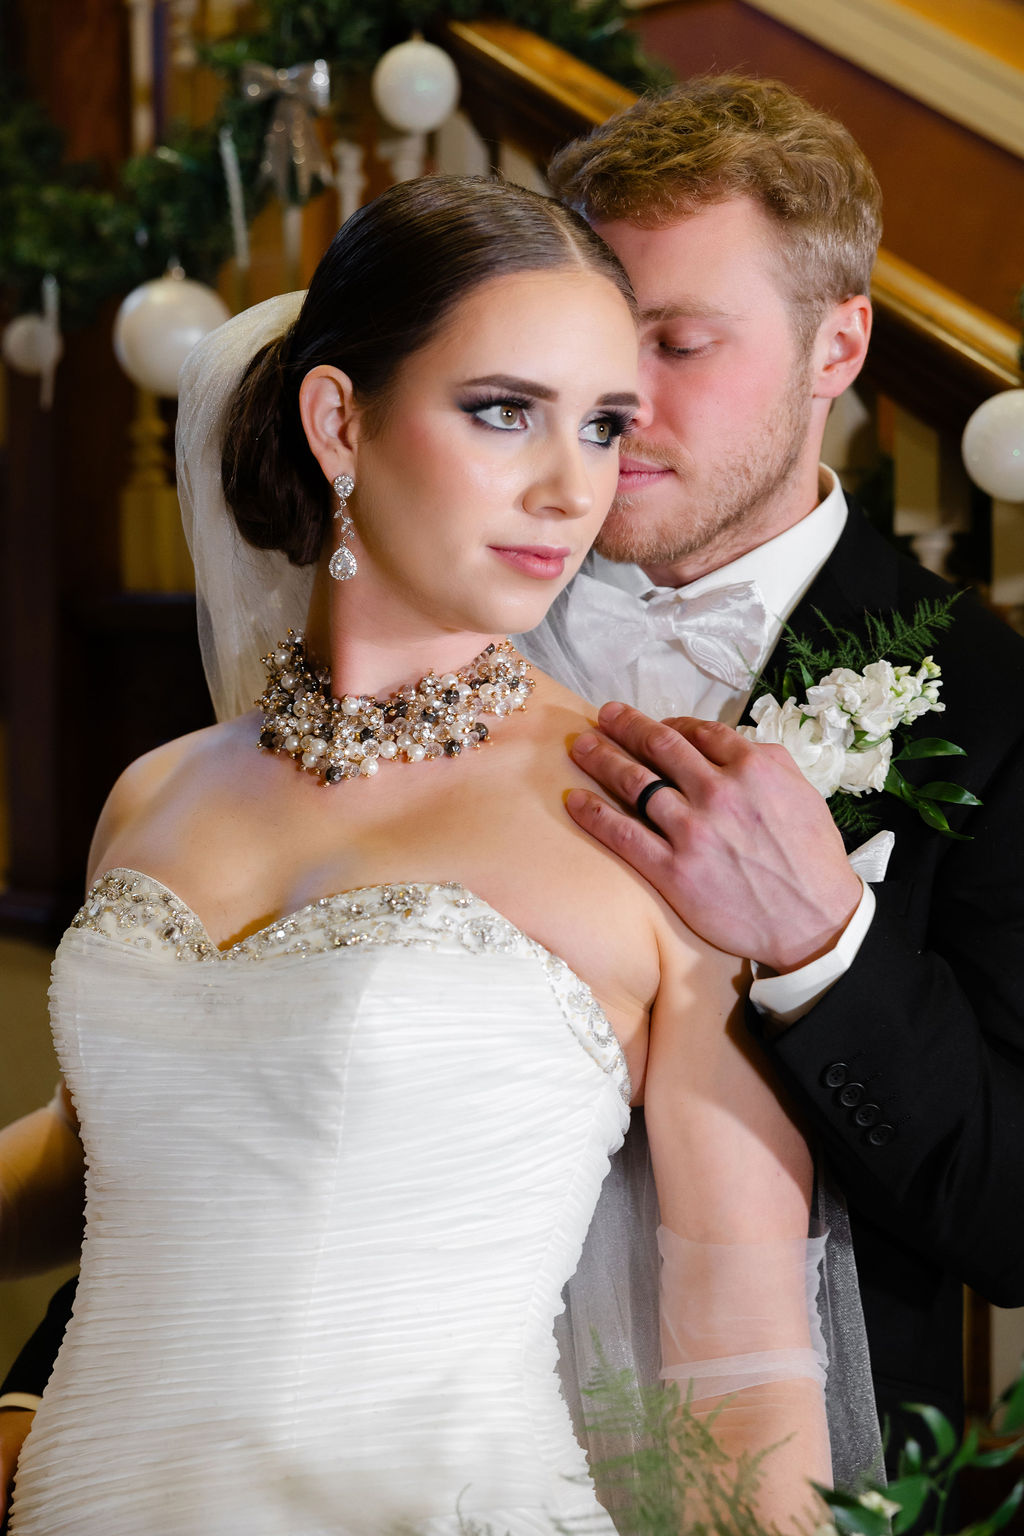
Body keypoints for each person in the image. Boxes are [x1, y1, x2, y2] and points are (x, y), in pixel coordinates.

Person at [0, 174, 840, 1536]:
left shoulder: (652, 831)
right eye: (505, 411)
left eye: (605, 424)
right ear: (341, 420)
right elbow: (99, 1158)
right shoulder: (154, 795)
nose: (575, 487)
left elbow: (742, 1374)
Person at [518, 75, 1024, 1463]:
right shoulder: (438, 627)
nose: (615, 400)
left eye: (679, 342)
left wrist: (823, 946)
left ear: (838, 343)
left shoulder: (993, 701)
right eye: (591, 339)